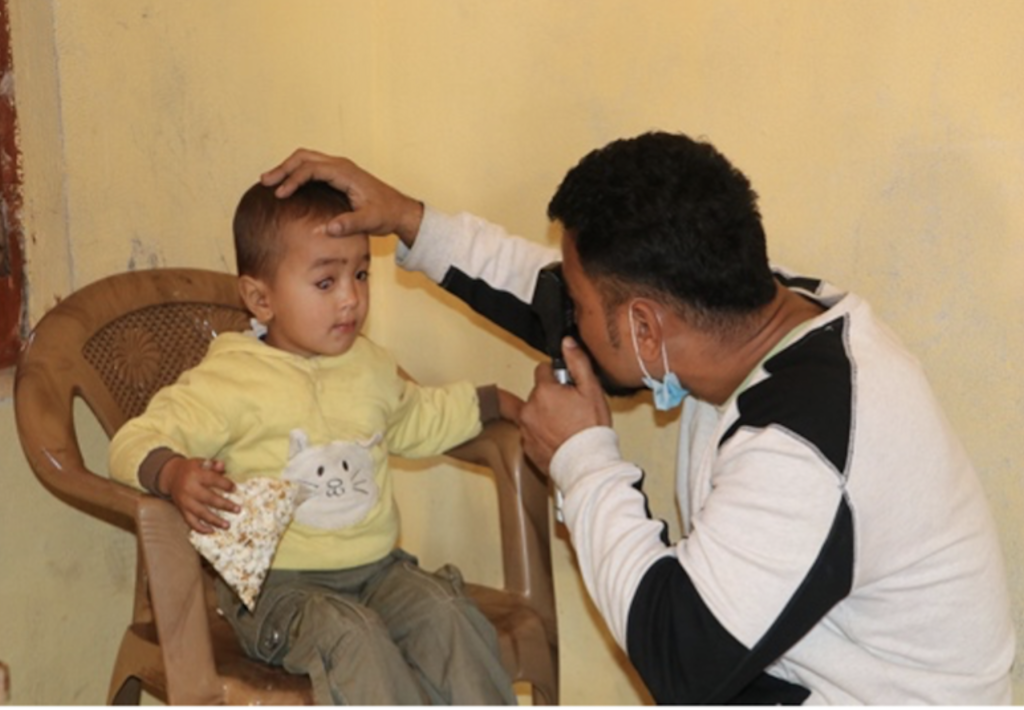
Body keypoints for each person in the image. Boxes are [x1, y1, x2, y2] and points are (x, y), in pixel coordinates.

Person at [259, 132, 1015, 705]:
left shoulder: (805, 442)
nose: (568, 314)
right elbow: (550, 294)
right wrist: (410, 221)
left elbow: (680, 659)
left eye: (584, 305)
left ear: (647, 329)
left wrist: (586, 461)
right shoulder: (758, 309)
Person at [108, 180, 519, 706]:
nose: (351, 298)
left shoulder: (368, 364)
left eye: (361, 274)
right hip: (280, 592)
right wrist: (172, 473)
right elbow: (134, 439)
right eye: (326, 282)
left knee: (449, 615)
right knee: (356, 639)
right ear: (261, 298)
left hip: (380, 574)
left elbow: (418, 417)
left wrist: (491, 402)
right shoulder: (231, 379)